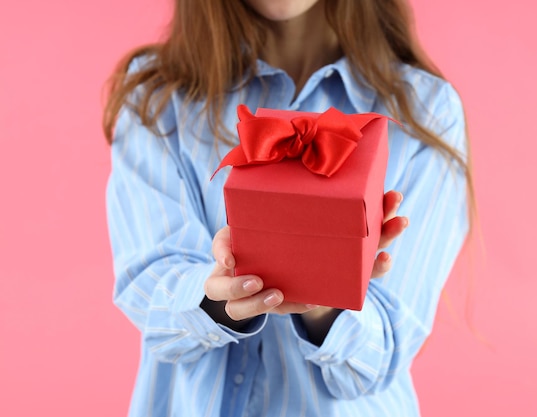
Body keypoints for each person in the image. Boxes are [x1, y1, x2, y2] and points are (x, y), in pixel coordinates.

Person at [103, 0, 473, 416]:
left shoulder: (425, 112)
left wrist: (325, 293)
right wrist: (219, 298)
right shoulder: (158, 96)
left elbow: (379, 356)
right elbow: (150, 290)